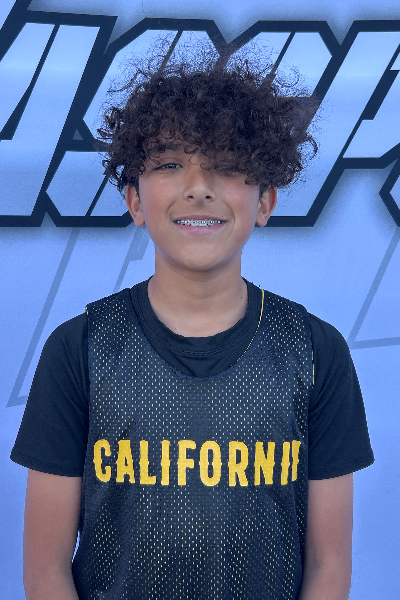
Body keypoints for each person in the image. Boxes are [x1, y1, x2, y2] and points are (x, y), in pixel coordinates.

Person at [11, 56, 374, 600]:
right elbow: (45, 573)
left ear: (265, 201)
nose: (199, 187)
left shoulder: (315, 350)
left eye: (226, 165)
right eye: (169, 164)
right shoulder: (80, 348)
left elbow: (329, 567)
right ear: (135, 200)